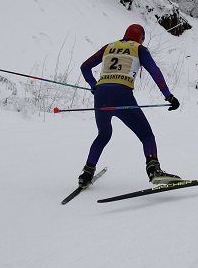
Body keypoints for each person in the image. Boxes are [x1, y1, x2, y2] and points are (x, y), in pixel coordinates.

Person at [78, 24, 181, 187]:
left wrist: (93, 85)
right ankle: (154, 169)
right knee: (146, 135)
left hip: (101, 96)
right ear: (141, 38)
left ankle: (86, 173)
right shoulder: (139, 49)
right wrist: (168, 95)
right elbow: (155, 71)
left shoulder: (108, 47)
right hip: (122, 95)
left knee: (103, 135)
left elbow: (85, 66)